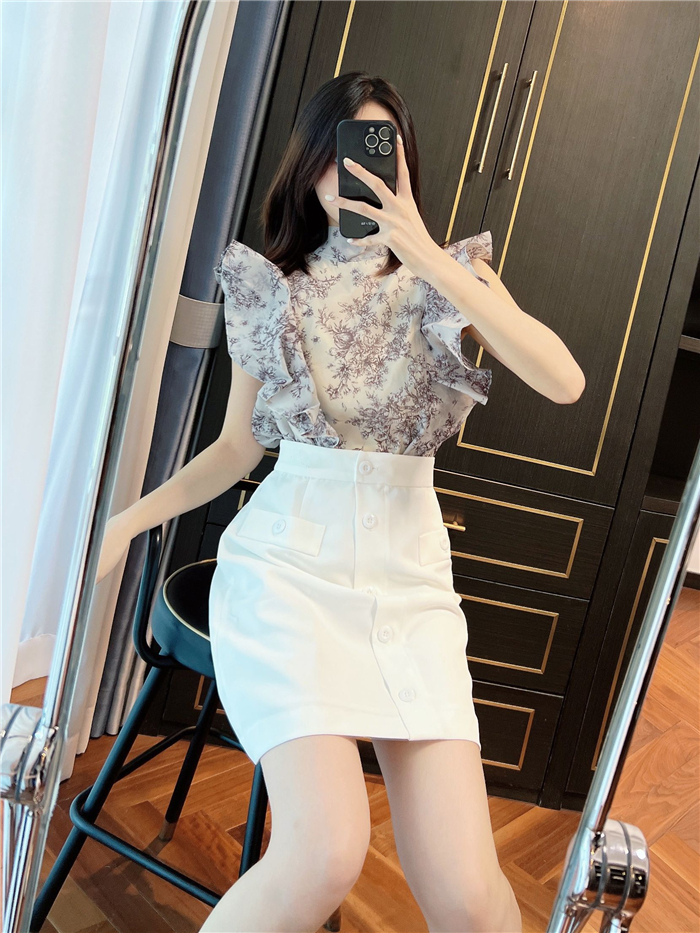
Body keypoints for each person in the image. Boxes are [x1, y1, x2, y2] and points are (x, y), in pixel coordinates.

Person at [99, 72, 584, 933]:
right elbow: (237, 449)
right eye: (340, 155)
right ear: (311, 163)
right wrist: (125, 523)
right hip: (288, 574)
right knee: (324, 851)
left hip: (409, 586)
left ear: (404, 166)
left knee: (472, 898)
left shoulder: (454, 277)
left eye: (378, 153)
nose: (355, 176)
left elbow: (563, 380)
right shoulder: (274, 291)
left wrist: (426, 254)